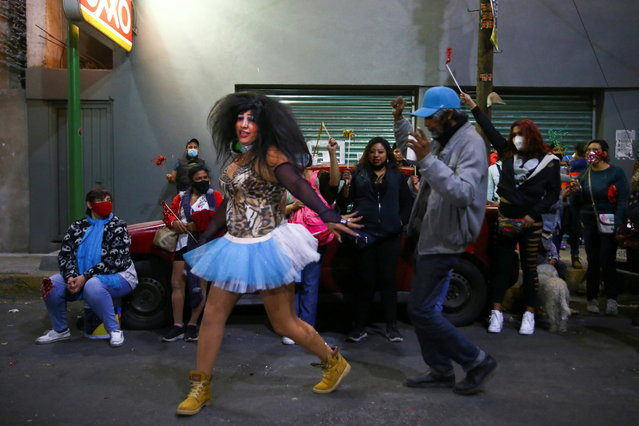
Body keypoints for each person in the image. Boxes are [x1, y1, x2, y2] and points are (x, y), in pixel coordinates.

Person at [175, 92, 361, 416]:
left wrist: (327, 213)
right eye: (240, 118)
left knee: (284, 322)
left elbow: (299, 187)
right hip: (234, 245)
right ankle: (201, 385)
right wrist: (205, 235)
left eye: (252, 119)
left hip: (267, 247)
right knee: (213, 315)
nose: (244, 124)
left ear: (263, 126)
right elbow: (228, 204)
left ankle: (333, 361)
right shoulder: (238, 160)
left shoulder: (272, 156)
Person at [396, 86, 497, 395]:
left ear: (450, 115)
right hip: (428, 235)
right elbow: (414, 151)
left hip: (444, 238)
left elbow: (464, 193)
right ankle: (440, 370)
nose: (427, 124)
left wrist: (427, 161)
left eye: (432, 119)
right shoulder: (445, 139)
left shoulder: (470, 144)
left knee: (422, 310)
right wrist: (400, 121)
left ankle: (476, 360)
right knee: (425, 310)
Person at [461, 92, 560, 336]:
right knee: (501, 266)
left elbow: (552, 194)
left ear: (531, 136)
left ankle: (529, 313)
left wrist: (533, 215)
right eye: (514, 134)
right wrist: (473, 106)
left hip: (531, 222)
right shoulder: (506, 152)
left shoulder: (549, 162)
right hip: (505, 217)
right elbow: (489, 128)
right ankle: (496, 312)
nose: (516, 139)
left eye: (521, 134)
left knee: (530, 268)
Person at [36, 188, 137, 348]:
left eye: (109, 200)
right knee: (51, 285)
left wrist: (85, 277)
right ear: (89, 204)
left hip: (118, 276)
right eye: (102, 201)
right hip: (80, 275)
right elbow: (65, 255)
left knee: (93, 285)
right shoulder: (77, 227)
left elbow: (115, 261)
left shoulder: (118, 226)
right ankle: (60, 330)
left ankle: (114, 330)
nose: (107, 204)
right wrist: (70, 277)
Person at [338, 136, 415, 343]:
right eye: (373, 151)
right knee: (365, 282)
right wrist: (346, 185)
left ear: (386, 154)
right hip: (365, 235)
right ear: (368, 153)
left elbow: (409, 203)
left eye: (380, 152)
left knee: (389, 282)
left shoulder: (395, 176)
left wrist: (400, 222)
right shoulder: (359, 174)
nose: (376, 155)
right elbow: (345, 201)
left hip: (390, 237)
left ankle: (392, 327)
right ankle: (359, 327)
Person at [281, 137, 341, 345]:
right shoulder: (284, 180)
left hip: (314, 239)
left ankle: (305, 328)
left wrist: (332, 154)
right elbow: (278, 209)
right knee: (291, 285)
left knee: (309, 284)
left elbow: (334, 183)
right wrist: (292, 207)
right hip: (290, 239)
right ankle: (291, 327)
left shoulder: (318, 177)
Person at [161, 165, 224, 342]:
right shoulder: (181, 198)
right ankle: (178, 325)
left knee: (200, 286)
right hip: (182, 244)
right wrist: (174, 223)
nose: (203, 181)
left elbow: (221, 217)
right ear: (191, 181)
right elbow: (169, 215)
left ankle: (192, 324)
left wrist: (200, 225)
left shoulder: (215, 196)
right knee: (177, 283)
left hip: (204, 245)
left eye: (205, 177)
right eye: (199, 179)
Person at [568, 139, 630, 315]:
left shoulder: (615, 173)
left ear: (605, 152)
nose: (591, 153)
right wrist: (575, 193)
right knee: (593, 260)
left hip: (609, 222)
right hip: (589, 222)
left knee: (607, 260)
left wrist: (619, 224)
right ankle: (592, 298)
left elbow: (623, 200)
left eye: (596, 149)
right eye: (589, 150)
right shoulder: (584, 175)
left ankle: (612, 299)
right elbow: (576, 204)